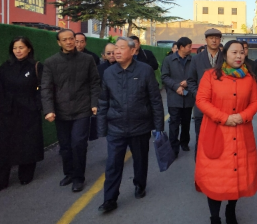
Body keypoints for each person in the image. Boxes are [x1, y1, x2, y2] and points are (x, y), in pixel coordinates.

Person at [194, 40, 257, 224]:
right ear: (225, 54)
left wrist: (242, 116)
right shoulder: (210, 76)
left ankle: (231, 211)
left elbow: (255, 101)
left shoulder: (249, 78)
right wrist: (224, 118)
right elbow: (201, 100)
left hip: (241, 133)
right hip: (216, 133)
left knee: (236, 175)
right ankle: (214, 220)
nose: (239, 56)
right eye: (234, 52)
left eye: (242, 52)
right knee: (215, 179)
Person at [97, 37, 165, 213]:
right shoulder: (109, 73)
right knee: (113, 164)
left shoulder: (145, 70)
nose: (117, 51)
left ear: (133, 51)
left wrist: (159, 127)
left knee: (140, 160)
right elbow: (103, 101)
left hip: (140, 126)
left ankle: (140, 184)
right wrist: (102, 128)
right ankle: (109, 199)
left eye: (121, 48)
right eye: (115, 48)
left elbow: (155, 100)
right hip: (116, 127)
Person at [41, 29, 101, 192]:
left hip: (82, 109)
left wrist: (94, 103)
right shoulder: (51, 62)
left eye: (71, 38)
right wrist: (49, 109)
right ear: (59, 43)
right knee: (65, 145)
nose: (68, 42)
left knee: (78, 143)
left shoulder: (87, 59)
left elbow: (95, 83)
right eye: (64, 39)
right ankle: (68, 173)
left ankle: (78, 178)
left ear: (75, 40)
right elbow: (46, 88)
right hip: (61, 111)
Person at [0, 37, 44, 193]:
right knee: (2, 146)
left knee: (28, 143)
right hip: (8, 112)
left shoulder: (36, 66)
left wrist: (36, 106)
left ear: (29, 49)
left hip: (28, 112)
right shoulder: (4, 67)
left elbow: (43, 88)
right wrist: (2, 108)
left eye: (21, 47)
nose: (18, 51)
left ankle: (25, 175)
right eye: (15, 48)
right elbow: (0, 89)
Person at [188, 28, 222, 160]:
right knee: (201, 139)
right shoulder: (196, 59)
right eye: (211, 38)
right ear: (206, 40)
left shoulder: (226, 58)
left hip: (222, 107)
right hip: (202, 108)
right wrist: (200, 96)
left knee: (221, 140)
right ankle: (200, 167)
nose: (214, 40)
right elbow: (191, 81)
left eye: (217, 38)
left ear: (220, 40)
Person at [161, 36, 195, 157]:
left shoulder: (193, 60)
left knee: (186, 122)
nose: (191, 48)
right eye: (189, 46)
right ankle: (173, 148)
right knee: (174, 123)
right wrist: (176, 86)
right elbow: (164, 76)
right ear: (181, 47)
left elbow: (196, 76)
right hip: (174, 97)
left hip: (188, 97)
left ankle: (184, 142)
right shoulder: (168, 60)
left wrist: (187, 82)